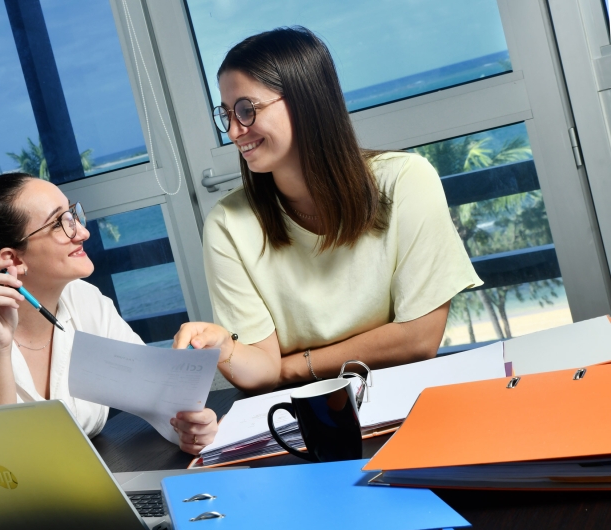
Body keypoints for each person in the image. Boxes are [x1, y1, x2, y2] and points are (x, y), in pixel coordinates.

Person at [174, 27, 482, 393]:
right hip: (303, 413)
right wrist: (226, 349)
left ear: (307, 101)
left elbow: (419, 340)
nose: (234, 131)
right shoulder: (227, 224)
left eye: (246, 110)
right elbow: (259, 370)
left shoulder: (406, 181)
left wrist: (291, 367)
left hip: (403, 394)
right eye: (225, 114)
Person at [0, 173, 218, 455]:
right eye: (59, 224)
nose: (83, 232)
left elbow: (158, 398)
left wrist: (190, 429)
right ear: (12, 259)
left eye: (73, 215)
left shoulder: (85, 300)